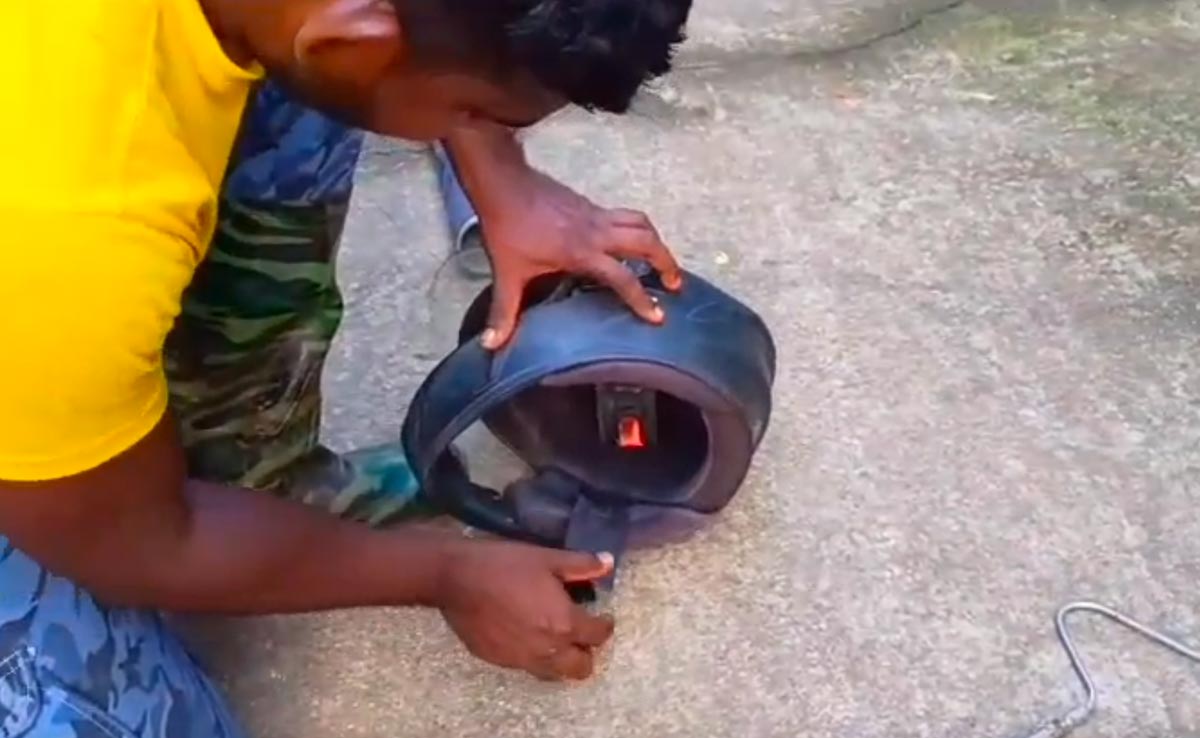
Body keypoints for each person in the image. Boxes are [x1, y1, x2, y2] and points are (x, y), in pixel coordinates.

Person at [0, 0, 691, 735]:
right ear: (354, 41)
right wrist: (442, 574)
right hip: (47, 340)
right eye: (476, 110)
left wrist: (499, 171)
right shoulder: (69, 234)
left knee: (308, 93)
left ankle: (245, 465)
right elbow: (128, 541)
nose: (483, 127)